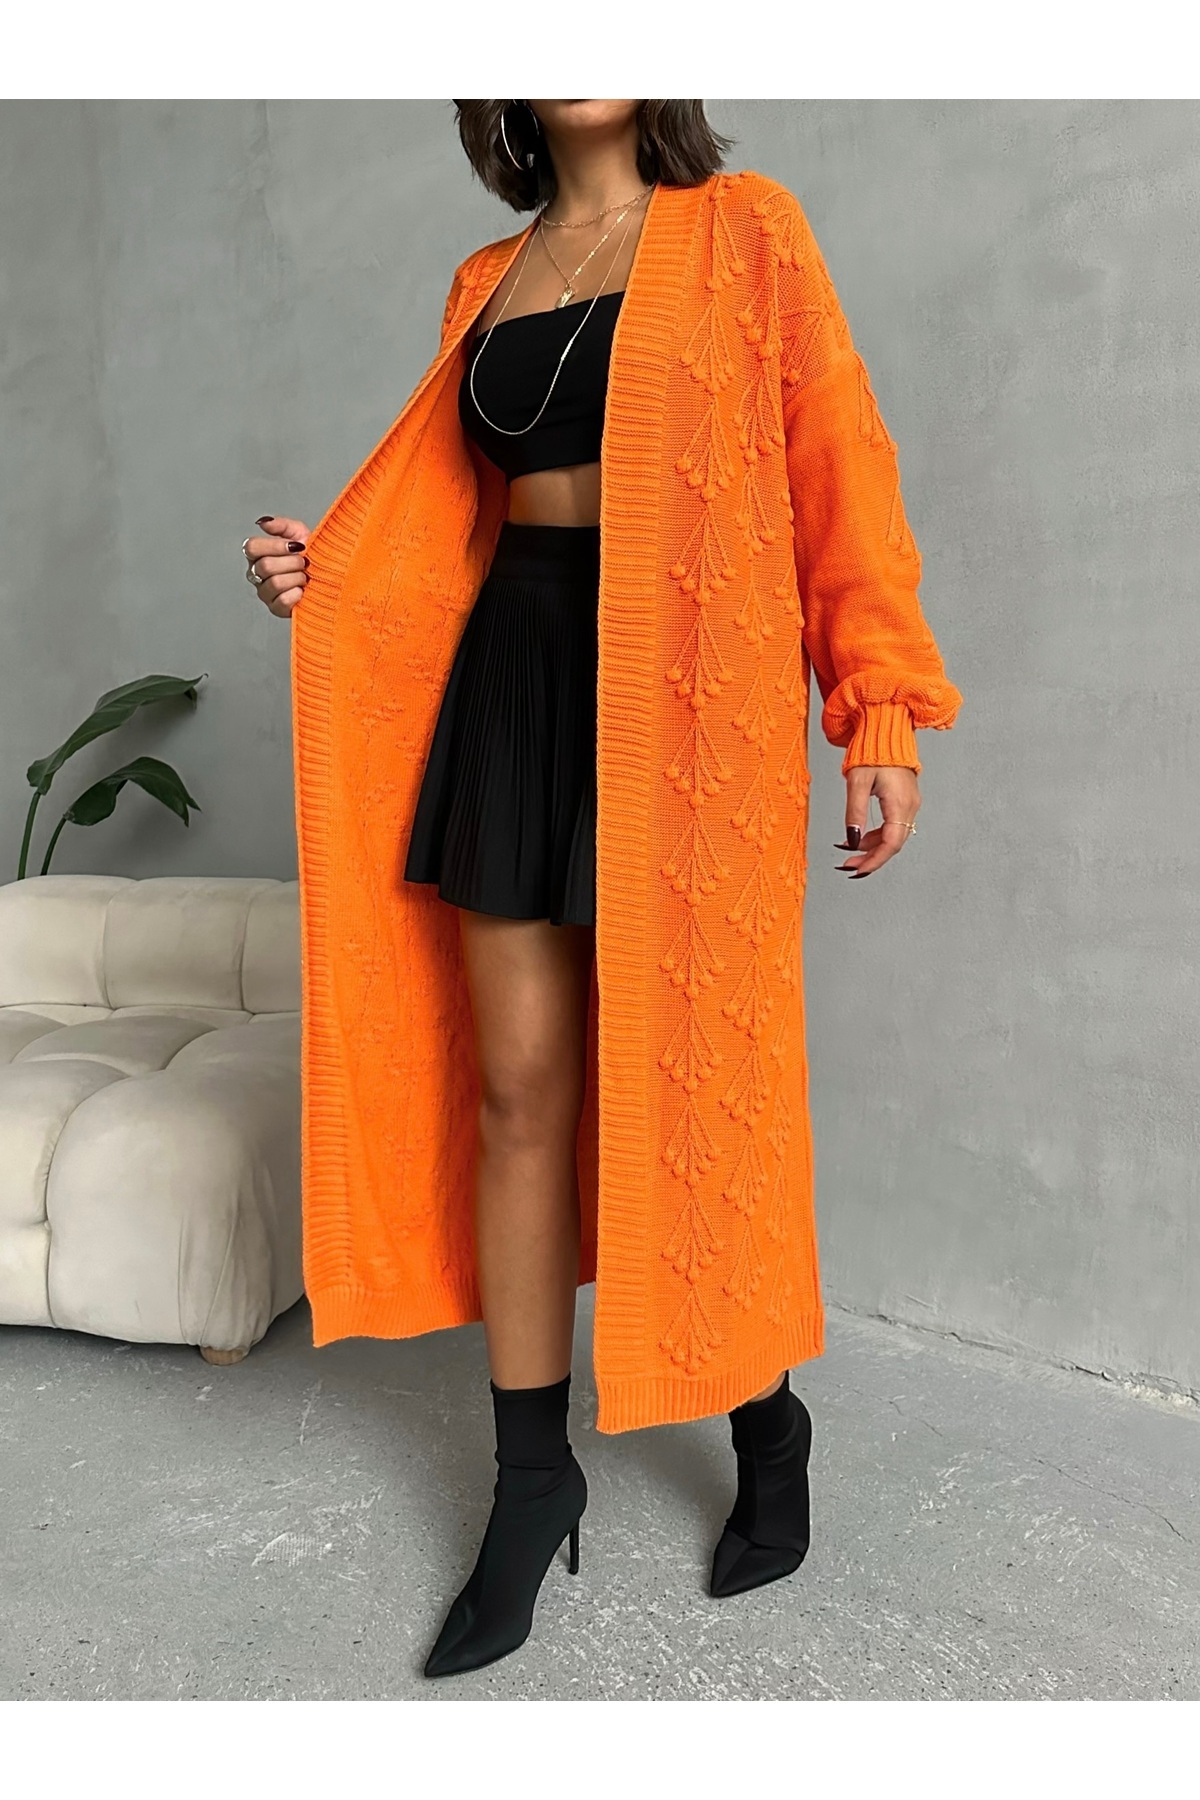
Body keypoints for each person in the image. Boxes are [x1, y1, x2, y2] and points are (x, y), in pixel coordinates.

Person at [242, 99, 962, 1679]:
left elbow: (840, 461)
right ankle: (531, 1481)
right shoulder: (482, 279)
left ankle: (766, 1423)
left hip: (684, 688)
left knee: (694, 1092)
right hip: (515, 674)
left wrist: (881, 705)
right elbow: (443, 525)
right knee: (516, 1093)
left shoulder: (746, 231)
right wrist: (321, 576)